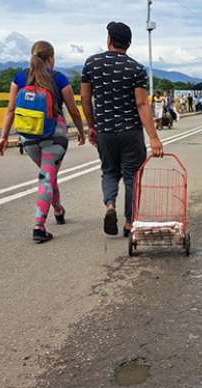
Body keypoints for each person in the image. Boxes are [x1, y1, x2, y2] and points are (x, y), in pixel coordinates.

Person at [0, 41, 86, 244]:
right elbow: (73, 110)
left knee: (48, 175)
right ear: (51, 58)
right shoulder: (59, 78)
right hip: (54, 136)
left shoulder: (20, 78)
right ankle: (39, 226)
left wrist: (3, 137)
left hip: (28, 138)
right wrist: (81, 131)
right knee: (47, 177)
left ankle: (58, 209)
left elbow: (11, 110)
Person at [81, 21, 164, 238]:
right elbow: (141, 104)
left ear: (108, 40)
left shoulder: (92, 64)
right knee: (132, 177)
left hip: (105, 131)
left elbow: (85, 98)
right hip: (131, 132)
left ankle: (110, 206)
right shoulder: (136, 68)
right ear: (128, 44)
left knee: (109, 171)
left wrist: (92, 126)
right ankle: (129, 222)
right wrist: (154, 138)